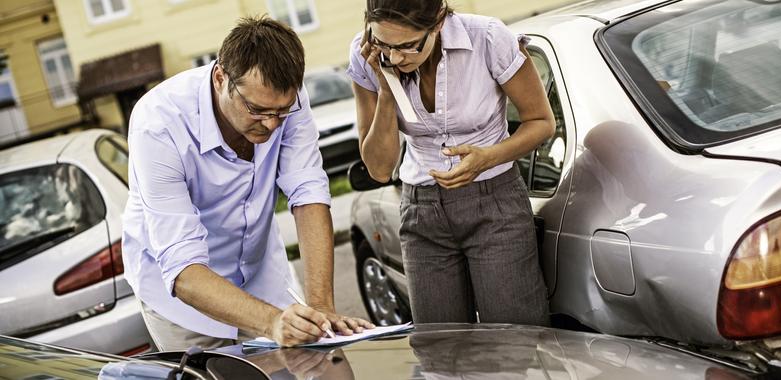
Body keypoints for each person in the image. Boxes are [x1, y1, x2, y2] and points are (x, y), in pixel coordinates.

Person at [122, 15, 373, 351]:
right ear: (220, 77)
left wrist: (321, 308)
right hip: (185, 300)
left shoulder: (286, 99)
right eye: (256, 109)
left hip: (260, 276)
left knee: (309, 361)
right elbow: (183, 267)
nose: (270, 125)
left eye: (280, 112)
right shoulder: (157, 124)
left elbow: (308, 193)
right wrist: (271, 322)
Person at [347, 0, 555, 324]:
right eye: (384, 45)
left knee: (517, 341)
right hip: (421, 214)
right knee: (441, 348)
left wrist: (487, 159)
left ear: (438, 22)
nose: (395, 57)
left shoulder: (487, 38)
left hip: (495, 204)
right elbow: (379, 168)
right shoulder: (367, 58)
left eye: (407, 46)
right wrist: (387, 88)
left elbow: (542, 121)